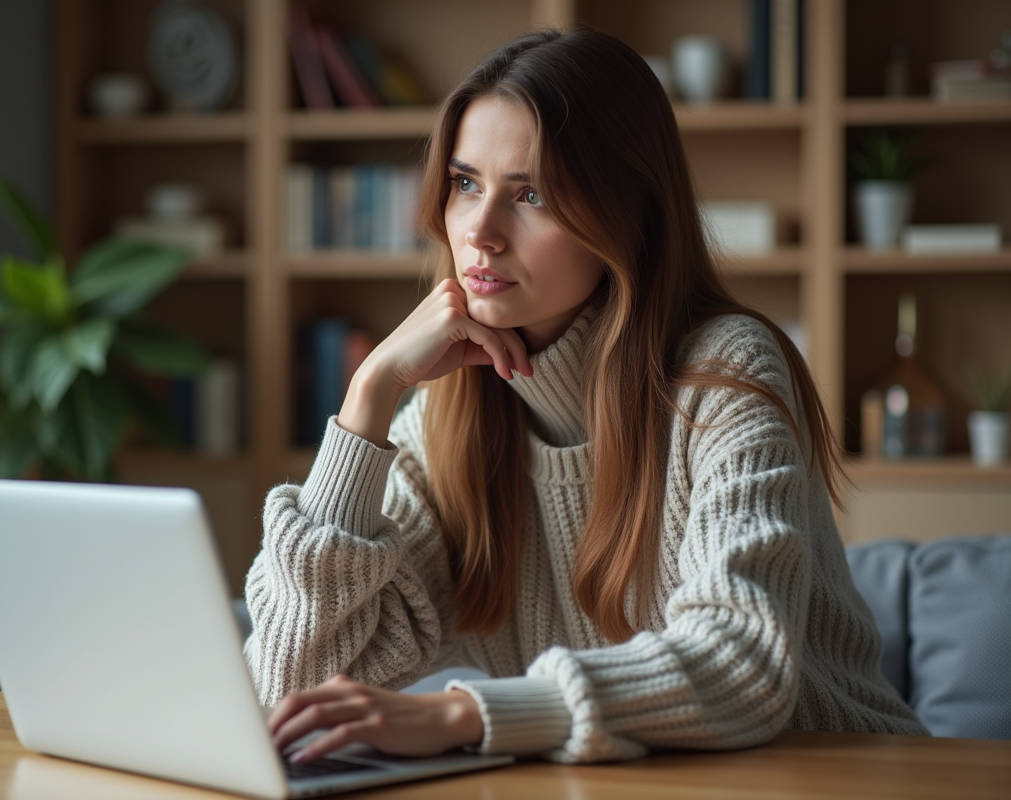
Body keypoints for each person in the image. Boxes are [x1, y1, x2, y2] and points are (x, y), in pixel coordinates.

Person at [245, 29, 927, 765]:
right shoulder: (445, 421)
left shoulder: (723, 375)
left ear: (625, 215)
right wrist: (368, 400)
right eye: (466, 183)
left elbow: (741, 661)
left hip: (838, 774)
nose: (480, 231)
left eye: (531, 195)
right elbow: (289, 689)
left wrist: (469, 713)